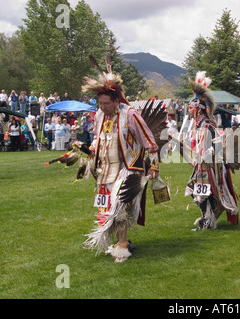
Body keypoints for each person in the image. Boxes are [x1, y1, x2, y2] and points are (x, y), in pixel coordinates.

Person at [81, 55, 161, 262]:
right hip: (106, 169)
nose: (102, 107)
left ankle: (123, 244)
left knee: (119, 205)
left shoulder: (130, 115)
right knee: (108, 207)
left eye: (106, 103)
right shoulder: (100, 116)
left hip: (128, 168)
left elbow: (149, 142)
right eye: (100, 103)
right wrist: (90, 150)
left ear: (117, 100)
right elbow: (98, 139)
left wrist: (154, 167)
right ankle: (119, 241)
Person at [181, 71, 239, 230]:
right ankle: (209, 215)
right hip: (201, 166)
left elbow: (217, 146)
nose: (189, 110)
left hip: (211, 167)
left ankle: (209, 219)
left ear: (198, 109)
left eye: (191, 108)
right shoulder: (198, 126)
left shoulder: (208, 126)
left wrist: (204, 154)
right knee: (197, 192)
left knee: (203, 194)